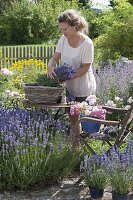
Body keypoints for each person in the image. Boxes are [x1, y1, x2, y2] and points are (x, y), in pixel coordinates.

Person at [47, 9, 96, 146]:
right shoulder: (63, 39)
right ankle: (76, 149)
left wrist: (68, 76)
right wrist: (50, 66)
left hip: (84, 87)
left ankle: (86, 145)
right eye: (61, 29)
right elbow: (55, 58)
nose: (63, 32)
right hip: (69, 87)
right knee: (73, 119)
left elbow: (85, 67)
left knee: (87, 122)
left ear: (75, 26)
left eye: (65, 29)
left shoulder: (87, 43)